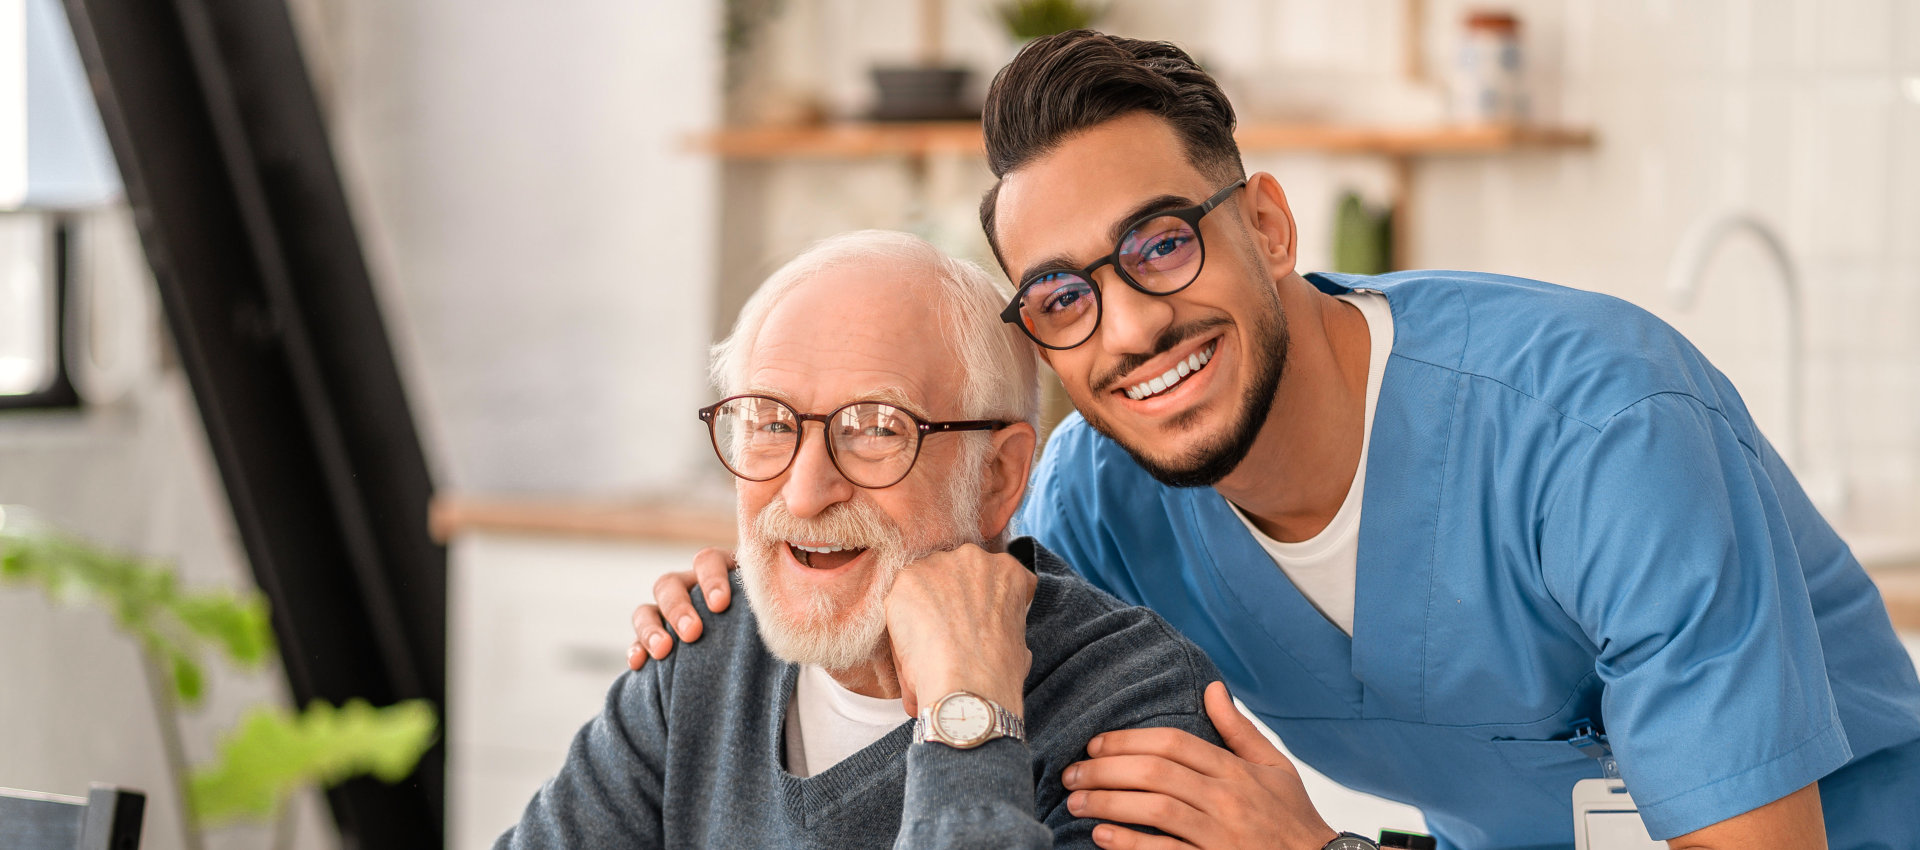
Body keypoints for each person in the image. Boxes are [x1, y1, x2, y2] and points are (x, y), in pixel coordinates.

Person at [632, 30, 1920, 850]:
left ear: (1273, 227)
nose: (1132, 327)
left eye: (1162, 245)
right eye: (1068, 296)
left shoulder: (1599, 433)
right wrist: (752, 593)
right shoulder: (1100, 501)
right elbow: (931, 599)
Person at [499, 230, 1232, 849]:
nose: (805, 492)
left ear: (997, 478)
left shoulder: (1135, 704)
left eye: (878, 428)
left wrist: (969, 716)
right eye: (769, 422)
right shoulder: (698, 654)